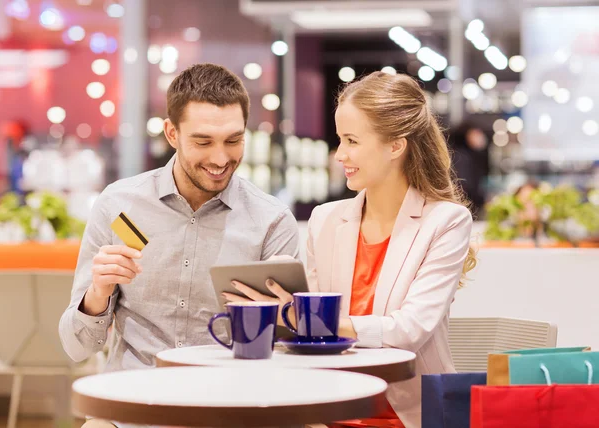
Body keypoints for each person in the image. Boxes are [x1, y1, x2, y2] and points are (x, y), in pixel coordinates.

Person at [226, 72, 476, 428]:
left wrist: (314, 320)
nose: (340, 154)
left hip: (412, 417)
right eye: (340, 139)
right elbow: (310, 336)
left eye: (352, 141)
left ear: (395, 146)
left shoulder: (446, 222)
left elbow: (408, 331)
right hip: (331, 409)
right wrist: (278, 313)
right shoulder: (325, 220)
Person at [59, 63, 300, 427]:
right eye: (203, 142)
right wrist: (98, 292)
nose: (220, 159)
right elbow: (77, 347)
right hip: (130, 412)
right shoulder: (118, 204)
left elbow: (289, 351)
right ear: (172, 133)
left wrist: (286, 323)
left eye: (233, 140)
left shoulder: (272, 221)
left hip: (229, 412)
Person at [450, 121, 489, 218]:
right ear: (467, 135)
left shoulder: (469, 155)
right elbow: (465, 185)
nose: (481, 138)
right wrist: (482, 200)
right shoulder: (462, 157)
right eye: (476, 134)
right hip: (467, 209)